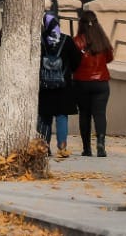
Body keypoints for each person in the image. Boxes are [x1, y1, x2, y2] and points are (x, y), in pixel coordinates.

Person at [36, 11, 80, 158]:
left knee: (45, 117)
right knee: (62, 116)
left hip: (44, 86)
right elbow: (77, 60)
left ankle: (43, 147)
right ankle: (62, 147)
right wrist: (67, 71)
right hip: (63, 86)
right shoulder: (67, 40)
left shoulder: (39, 40)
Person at [72, 9, 115, 157]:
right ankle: (101, 145)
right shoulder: (102, 40)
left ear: (81, 24)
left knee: (84, 114)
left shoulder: (77, 41)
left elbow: (73, 62)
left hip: (81, 82)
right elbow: (109, 58)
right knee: (100, 114)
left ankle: (87, 148)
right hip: (101, 82)